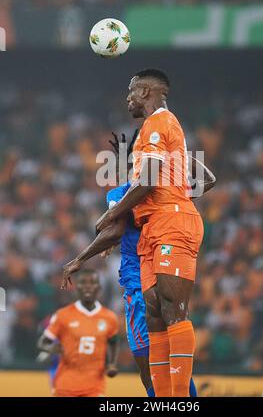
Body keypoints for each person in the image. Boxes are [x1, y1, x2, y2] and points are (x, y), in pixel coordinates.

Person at [61, 126, 215, 397]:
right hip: (168, 277)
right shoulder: (168, 190)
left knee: (151, 373)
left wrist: (80, 258)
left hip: (140, 286)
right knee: (174, 363)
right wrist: (177, 154)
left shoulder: (121, 194)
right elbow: (208, 180)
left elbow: (115, 231)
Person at [93, 68, 211, 397]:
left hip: (172, 222)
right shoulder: (151, 129)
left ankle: (179, 400)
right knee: (155, 311)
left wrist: (113, 211)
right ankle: (163, 399)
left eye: (131, 92)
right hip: (152, 229)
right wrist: (178, 187)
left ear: (145, 92)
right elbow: (202, 179)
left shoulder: (160, 122)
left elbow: (146, 182)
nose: (127, 98)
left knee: (173, 309)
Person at [38, 269, 119, 397]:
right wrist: (50, 347)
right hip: (66, 386)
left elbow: (113, 341)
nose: (88, 286)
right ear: (76, 287)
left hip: (95, 387)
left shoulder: (109, 317)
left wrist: (111, 364)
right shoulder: (62, 315)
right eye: (83, 282)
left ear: (99, 287)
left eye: (92, 282)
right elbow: (43, 341)